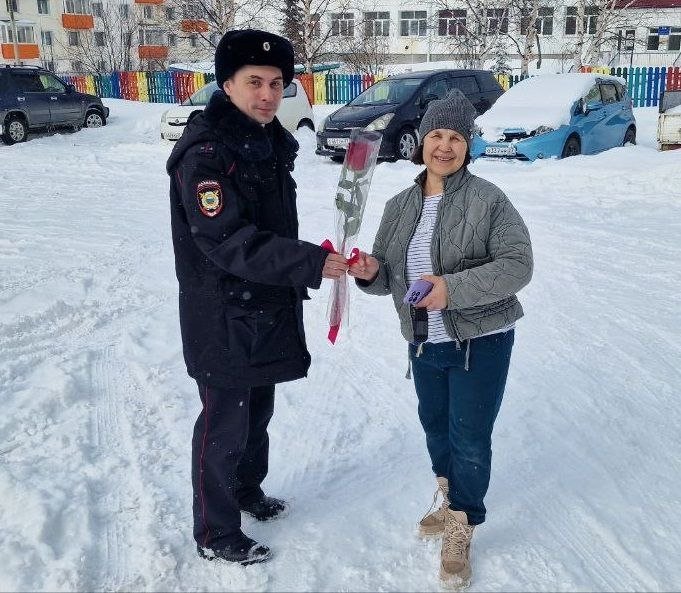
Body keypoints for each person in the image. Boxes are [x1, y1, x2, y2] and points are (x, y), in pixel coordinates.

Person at [165, 29, 349, 566]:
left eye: (276, 83)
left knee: (257, 411)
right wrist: (308, 263)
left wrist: (305, 259)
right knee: (224, 424)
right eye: (254, 82)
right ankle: (216, 531)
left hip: (262, 304)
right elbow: (227, 240)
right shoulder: (206, 154)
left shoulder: (265, 141)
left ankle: (247, 490)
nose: (267, 94)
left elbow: (271, 226)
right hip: (222, 312)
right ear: (227, 84)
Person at [349, 89, 533, 588]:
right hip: (422, 341)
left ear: (468, 145)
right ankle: (451, 499)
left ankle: (463, 521)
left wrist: (451, 289)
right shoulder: (398, 205)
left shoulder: (489, 200)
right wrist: (370, 271)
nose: (444, 146)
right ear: (421, 141)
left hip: (481, 341)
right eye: (436, 135)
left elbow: (518, 266)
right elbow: (389, 277)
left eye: (456, 137)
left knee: (469, 437)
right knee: (435, 427)